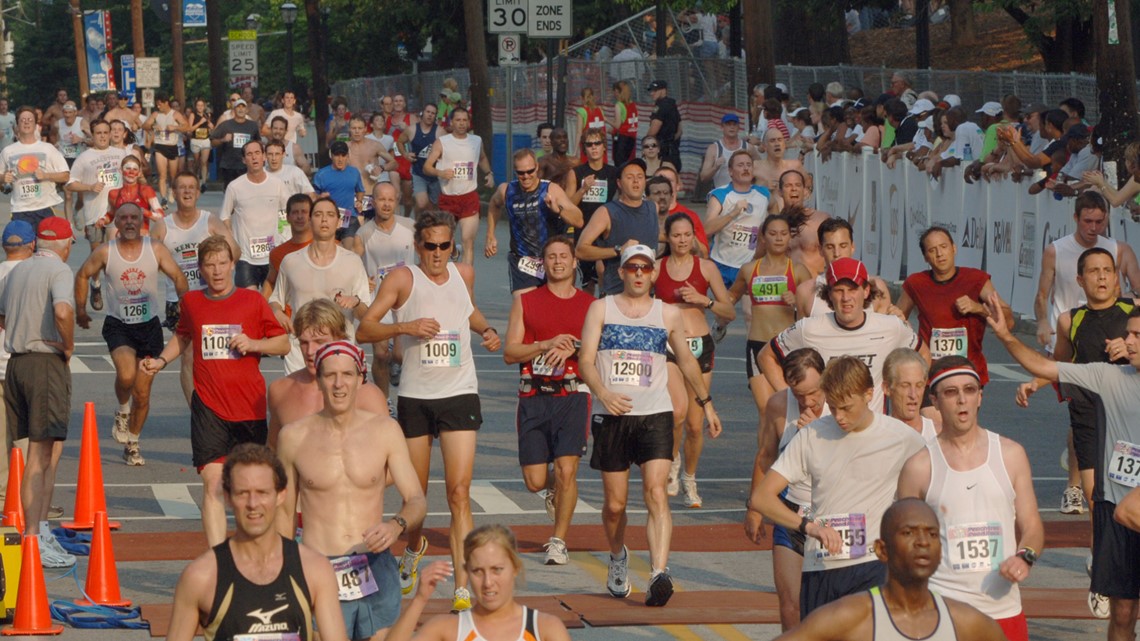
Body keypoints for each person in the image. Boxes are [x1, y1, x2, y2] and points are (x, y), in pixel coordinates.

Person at [356, 210, 501, 612]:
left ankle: (462, 583)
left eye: (444, 246)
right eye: (430, 246)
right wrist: (405, 327)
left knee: (459, 493)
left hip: (459, 393)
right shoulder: (402, 279)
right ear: (417, 245)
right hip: (417, 397)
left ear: (453, 245)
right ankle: (415, 548)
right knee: (414, 495)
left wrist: (485, 329)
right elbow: (364, 328)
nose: (437, 254)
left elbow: (465, 310)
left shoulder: (464, 273)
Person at [986, 292, 1140, 641]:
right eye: (1128, 333)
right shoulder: (1109, 376)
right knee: (1123, 613)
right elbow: (1045, 367)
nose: (1127, 340)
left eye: (1136, 335)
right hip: (1116, 508)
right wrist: (1006, 336)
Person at [577, 244, 723, 607]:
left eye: (645, 267)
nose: (639, 273)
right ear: (622, 272)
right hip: (612, 418)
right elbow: (585, 359)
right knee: (614, 505)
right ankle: (617, 556)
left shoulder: (667, 314)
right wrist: (603, 393)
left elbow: (688, 363)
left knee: (656, 492)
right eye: (632, 268)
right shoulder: (602, 308)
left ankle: (659, 572)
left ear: (653, 274)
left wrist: (707, 404)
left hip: (654, 415)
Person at [750, 356, 926, 617]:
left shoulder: (903, 438)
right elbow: (761, 498)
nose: (839, 417)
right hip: (821, 565)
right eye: (832, 408)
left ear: (869, 394)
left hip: (873, 564)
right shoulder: (812, 435)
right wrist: (809, 527)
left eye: (846, 408)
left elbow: (934, 489)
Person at [139, 235, 287, 544]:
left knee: (250, 488)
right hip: (208, 406)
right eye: (210, 265)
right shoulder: (192, 302)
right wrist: (162, 361)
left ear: (233, 265)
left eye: (222, 263)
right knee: (213, 482)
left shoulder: (253, 301)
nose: (217, 270)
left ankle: (253, 546)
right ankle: (219, 558)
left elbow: (283, 342)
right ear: (201, 269)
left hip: (249, 408)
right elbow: (183, 336)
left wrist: (254, 343)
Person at [277, 340, 427, 641]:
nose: (338, 384)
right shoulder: (293, 437)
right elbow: (283, 512)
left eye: (347, 374)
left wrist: (396, 525)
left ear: (361, 378)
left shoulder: (385, 430)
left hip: (375, 562)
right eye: (330, 375)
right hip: (318, 565)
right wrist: (282, 572)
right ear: (318, 380)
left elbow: (416, 499)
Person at [896, 356, 1042, 641]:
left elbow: (1032, 524)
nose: (962, 400)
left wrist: (1025, 557)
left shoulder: (1011, 455)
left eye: (969, 390)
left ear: (980, 397)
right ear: (935, 402)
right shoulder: (918, 467)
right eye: (951, 393)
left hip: (1002, 611)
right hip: (940, 613)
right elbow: (903, 546)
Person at [1019, 246, 1130, 617]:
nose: (1101, 277)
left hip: (1129, 416)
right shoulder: (1070, 319)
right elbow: (1060, 362)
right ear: (1080, 280)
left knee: (1127, 500)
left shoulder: (1135, 314)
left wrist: (1130, 351)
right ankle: (1102, 572)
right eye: (1093, 271)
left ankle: (1121, 562)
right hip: (1088, 414)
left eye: (1107, 270)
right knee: (1098, 497)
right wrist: (1035, 383)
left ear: (1117, 276)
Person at [166, 443, 348, 641]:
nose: (253, 504)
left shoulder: (314, 569)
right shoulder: (201, 577)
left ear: (281, 496)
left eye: (262, 492)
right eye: (243, 493)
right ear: (227, 497)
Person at [1035, 191, 1140, 514]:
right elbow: (1043, 294)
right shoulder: (1057, 250)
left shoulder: (1119, 250)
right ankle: (1074, 484)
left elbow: (1136, 286)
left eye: (1100, 221)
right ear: (1076, 218)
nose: (1094, 227)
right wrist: (1042, 323)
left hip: (1118, 352)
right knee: (1081, 416)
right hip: (1074, 332)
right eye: (1087, 221)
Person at [772, 499, 1008, 641]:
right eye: (908, 532)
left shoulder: (969, 623)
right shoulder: (850, 616)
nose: (923, 542)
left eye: (932, 534)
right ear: (881, 550)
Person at [503, 236, 595, 565]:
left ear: (574, 263)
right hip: (533, 395)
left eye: (563, 256)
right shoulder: (526, 301)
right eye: (551, 257)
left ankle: (558, 540)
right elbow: (510, 353)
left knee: (568, 470)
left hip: (573, 395)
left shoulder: (589, 305)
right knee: (535, 481)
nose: (557, 262)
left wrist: (576, 348)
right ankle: (554, 483)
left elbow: (599, 354)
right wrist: (544, 344)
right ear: (543, 264)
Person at [75, 203, 188, 466]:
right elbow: (82, 275)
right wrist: (81, 309)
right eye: (123, 218)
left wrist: (184, 303)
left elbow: (178, 276)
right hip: (119, 325)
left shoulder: (155, 249)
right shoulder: (106, 251)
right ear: (116, 222)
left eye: (133, 218)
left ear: (141, 222)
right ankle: (122, 410)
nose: (128, 222)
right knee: (126, 375)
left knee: (143, 393)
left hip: (148, 326)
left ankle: (133, 443)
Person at [0, 217, 76, 568]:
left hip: (15, 362)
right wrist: (68, 344)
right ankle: (34, 536)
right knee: (42, 455)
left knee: (36, 453)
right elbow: (62, 310)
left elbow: (2, 315)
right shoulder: (59, 271)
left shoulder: (17, 271)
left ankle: (37, 530)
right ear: (63, 244)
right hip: (43, 363)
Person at [759, 257, 924, 414]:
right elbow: (766, 356)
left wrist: (909, 394)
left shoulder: (890, 326)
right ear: (829, 294)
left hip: (872, 434)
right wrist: (793, 397)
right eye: (839, 290)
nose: (846, 298)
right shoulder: (809, 328)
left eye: (852, 289)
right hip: (824, 432)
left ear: (866, 291)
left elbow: (923, 354)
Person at [655, 214, 734, 507]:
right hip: (670, 347)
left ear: (694, 236)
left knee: (694, 423)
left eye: (687, 234)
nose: (682, 240)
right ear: (668, 237)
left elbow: (729, 312)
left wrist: (706, 302)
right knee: (676, 411)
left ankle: (690, 476)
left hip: (701, 345)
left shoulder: (706, 267)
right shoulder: (657, 268)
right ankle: (673, 463)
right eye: (676, 235)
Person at [745, 348, 825, 631]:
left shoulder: (841, 406)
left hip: (831, 516)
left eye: (813, 392)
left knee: (828, 605)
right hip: (791, 511)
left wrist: (820, 432)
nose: (807, 401)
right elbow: (766, 456)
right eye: (798, 393)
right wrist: (754, 510)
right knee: (790, 603)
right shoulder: (778, 404)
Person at [383, 525, 572, 641]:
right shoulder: (449, 629)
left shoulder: (545, 629)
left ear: (515, 568)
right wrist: (420, 599)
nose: (488, 582)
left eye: (497, 570)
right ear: (467, 574)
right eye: (478, 571)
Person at [149, 173, 237, 403]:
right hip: (179, 300)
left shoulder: (210, 221)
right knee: (187, 355)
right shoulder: (162, 227)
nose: (187, 192)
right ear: (174, 193)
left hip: (213, 296)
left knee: (217, 354)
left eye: (191, 188)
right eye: (182, 188)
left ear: (198, 193)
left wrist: (217, 254)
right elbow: (149, 262)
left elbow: (235, 252)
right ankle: (196, 410)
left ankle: (219, 401)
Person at [897, 225, 1014, 387]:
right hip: (930, 372)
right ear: (925, 257)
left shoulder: (976, 279)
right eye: (932, 250)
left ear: (954, 249)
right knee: (931, 413)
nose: (939, 254)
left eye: (944, 247)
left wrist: (978, 308)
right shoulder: (916, 283)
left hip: (969, 370)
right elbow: (896, 320)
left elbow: (1008, 321)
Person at [266, 299, 389, 449]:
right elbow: (273, 451)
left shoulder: (368, 396)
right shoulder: (280, 391)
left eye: (319, 342)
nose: (310, 351)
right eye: (304, 343)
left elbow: (387, 456)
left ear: (340, 339)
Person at [269, 197, 370, 374]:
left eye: (330, 215)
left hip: (339, 354)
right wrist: (278, 313)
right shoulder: (291, 261)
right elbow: (275, 300)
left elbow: (366, 315)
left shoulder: (352, 262)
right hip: (300, 354)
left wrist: (355, 302)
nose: (324, 220)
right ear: (310, 220)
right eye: (318, 214)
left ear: (338, 222)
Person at [727, 214, 812, 416]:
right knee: (766, 411)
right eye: (773, 234)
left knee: (792, 410)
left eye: (783, 234)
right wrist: (712, 306)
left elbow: (812, 311)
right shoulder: (749, 270)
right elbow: (731, 297)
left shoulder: (798, 271)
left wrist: (798, 301)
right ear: (763, 237)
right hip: (757, 345)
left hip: (788, 346)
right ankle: (767, 449)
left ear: (790, 237)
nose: (779, 238)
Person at [485, 149, 583, 294]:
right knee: (525, 307)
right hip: (522, 261)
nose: (526, 176)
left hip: (551, 260)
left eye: (530, 171)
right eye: (521, 173)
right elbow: (494, 204)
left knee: (552, 309)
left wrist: (558, 210)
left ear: (537, 167)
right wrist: (490, 234)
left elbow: (579, 220)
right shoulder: (507, 190)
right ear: (515, 171)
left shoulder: (550, 189)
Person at [353, 182, 415, 397]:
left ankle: (397, 366)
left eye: (390, 200)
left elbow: (429, 246)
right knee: (380, 354)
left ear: (396, 201)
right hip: (378, 301)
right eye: (382, 199)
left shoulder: (410, 226)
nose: (386, 204)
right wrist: (361, 280)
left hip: (407, 299)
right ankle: (384, 401)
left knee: (399, 355)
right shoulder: (364, 233)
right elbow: (351, 260)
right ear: (374, 202)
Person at [65, 118, 128, 308]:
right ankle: (96, 284)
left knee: (113, 252)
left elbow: (132, 173)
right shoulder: (84, 158)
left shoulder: (120, 153)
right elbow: (70, 183)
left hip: (115, 214)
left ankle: (116, 291)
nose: (102, 136)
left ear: (110, 134)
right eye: (98, 133)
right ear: (92, 135)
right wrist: (89, 186)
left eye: (105, 132)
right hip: (93, 214)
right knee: (96, 254)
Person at [574, 159, 659, 296]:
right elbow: (580, 250)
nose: (636, 181)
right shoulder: (607, 212)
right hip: (617, 295)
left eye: (640, 177)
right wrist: (618, 250)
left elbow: (652, 235)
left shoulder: (653, 208)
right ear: (619, 183)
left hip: (648, 297)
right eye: (630, 177)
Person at [704, 150, 771, 322]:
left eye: (749, 165)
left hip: (750, 263)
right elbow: (707, 229)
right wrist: (733, 213)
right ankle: (720, 325)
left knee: (750, 314)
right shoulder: (720, 195)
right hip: (723, 262)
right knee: (724, 313)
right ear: (731, 171)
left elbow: (775, 220)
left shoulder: (764, 195)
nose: (745, 168)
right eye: (740, 165)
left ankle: (752, 350)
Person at [423, 108, 493, 264]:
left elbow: (481, 158)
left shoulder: (476, 140)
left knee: (468, 241)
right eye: (458, 120)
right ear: (451, 122)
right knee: (447, 239)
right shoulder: (442, 142)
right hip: (448, 198)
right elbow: (427, 167)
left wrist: (489, 173)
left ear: (468, 122)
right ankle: (454, 251)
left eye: (464, 120)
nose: (462, 123)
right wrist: (440, 173)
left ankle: (466, 284)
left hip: (469, 197)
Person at [219, 140, 292, 289]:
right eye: (249, 154)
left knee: (270, 305)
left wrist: (285, 238)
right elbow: (224, 217)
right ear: (244, 160)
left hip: (273, 254)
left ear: (264, 156)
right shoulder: (235, 187)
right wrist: (233, 244)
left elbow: (288, 212)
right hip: (245, 257)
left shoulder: (277, 184)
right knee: (248, 304)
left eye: (257, 153)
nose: (254, 158)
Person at [795, 218, 892, 319]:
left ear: (852, 247)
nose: (837, 253)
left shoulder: (877, 286)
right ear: (820, 250)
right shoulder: (805, 291)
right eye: (830, 247)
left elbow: (889, 330)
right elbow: (800, 333)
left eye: (843, 246)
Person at [0, 106, 69, 227]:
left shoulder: (48, 148)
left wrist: (46, 175)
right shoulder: (7, 151)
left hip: (45, 207)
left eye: (30, 119)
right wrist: (3, 178)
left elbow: (65, 176)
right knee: (23, 245)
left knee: (45, 246)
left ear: (36, 125)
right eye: (22, 120)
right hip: (20, 209)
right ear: (17, 125)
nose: (26, 122)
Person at [571, 128, 620, 291]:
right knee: (588, 282)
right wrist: (583, 189)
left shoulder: (614, 172)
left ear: (604, 146)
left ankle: (604, 308)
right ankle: (588, 311)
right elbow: (568, 206)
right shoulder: (577, 173)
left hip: (606, 232)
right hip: (584, 231)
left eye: (597, 143)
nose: (594, 147)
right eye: (589, 144)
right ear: (584, 148)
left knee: (603, 272)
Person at [776, 170, 830, 277]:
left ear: (805, 191)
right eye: (788, 185)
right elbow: (758, 259)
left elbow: (836, 255)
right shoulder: (772, 225)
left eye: (798, 185)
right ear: (780, 192)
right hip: (785, 288)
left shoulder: (821, 219)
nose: (794, 189)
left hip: (814, 287)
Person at [262, 194, 314, 302]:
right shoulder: (277, 253)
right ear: (287, 217)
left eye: (304, 212)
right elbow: (271, 282)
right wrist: (261, 306)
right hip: (289, 317)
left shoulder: (328, 248)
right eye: (295, 212)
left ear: (311, 216)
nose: (300, 216)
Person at [312, 141, 367, 239]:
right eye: (337, 155)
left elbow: (360, 190)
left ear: (347, 156)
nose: (340, 159)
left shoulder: (354, 172)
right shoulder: (321, 174)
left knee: (350, 249)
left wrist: (359, 201)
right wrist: (320, 197)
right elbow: (312, 197)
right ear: (331, 156)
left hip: (349, 217)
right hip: (328, 218)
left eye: (343, 155)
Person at [141, 92, 188, 202]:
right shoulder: (156, 114)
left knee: (173, 174)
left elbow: (187, 127)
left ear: (166, 103)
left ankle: (171, 189)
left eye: (160, 104)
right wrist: (152, 125)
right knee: (162, 174)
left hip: (172, 146)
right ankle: (163, 198)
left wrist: (175, 128)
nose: (158, 106)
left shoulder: (175, 114)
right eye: (157, 104)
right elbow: (144, 125)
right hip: (160, 146)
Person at [396, 103, 441, 215]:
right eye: (428, 112)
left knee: (434, 206)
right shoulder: (412, 130)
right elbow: (400, 142)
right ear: (422, 113)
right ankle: (417, 224)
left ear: (435, 116)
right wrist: (405, 154)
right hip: (418, 173)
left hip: (435, 175)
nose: (430, 115)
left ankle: (427, 225)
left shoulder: (440, 131)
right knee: (421, 203)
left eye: (433, 113)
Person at [882, 348, 937, 438]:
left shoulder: (940, 437)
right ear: (887, 388)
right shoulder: (875, 440)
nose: (913, 395)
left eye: (919, 385)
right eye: (905, 385)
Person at [209, 99, 261, 188]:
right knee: (230, 192)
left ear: (247, 110)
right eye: (238, 107)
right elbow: (212, 142)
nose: (241, 109)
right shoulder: (225, 125)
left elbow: (258, 143)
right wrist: (223, 140)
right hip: (229, 166)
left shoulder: (253, 125)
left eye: (243, 107)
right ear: (234, 109)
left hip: (247, 165)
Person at [699, 114, 747, 190]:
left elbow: (759, 170)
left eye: (734, 124)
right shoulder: (714, 148)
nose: (732, 127)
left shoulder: (747, 147)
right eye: (728, 124)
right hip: (721, 196)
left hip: (743, 194)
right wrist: (715, 167)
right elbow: (703, 177)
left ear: (738, 128)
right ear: (722, 127)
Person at [647, 80, 682, 170]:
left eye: (655, 90)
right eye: (651, 91)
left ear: (663, 90)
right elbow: (680, 130)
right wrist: (671, 140)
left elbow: (653, 131)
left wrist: (647, 144)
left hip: (662, 151)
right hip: (673, 150)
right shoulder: (672, 104)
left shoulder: (660, 107)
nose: (652, 93)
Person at [538, 128, 578, 196]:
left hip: (571, 201)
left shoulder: (575, 162)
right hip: (551, 199)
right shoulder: (543, 161)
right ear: (551, 142)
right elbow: (537, 186)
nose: (563, 140)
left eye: (565, 137)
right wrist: (556, 174)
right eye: (558, 138)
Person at [608, 80, 639, 164]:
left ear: (617, 91)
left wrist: (605, 119)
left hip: (622, 139)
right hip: (632, 138)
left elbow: (618, 125)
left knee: (619, 163)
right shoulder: (632, 104)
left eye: (615, 91)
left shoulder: (619, 105)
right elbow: (625, 121)